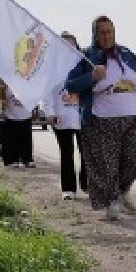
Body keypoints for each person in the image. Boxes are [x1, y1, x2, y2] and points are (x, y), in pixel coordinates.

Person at [63, 16, 136, 220]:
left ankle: (123, 189)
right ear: (95, 34)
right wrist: (91, 77)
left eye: (110, 32)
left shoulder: (126, 54)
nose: (107, 36)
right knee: (107, 165)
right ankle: (113, 200)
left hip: (134, 116)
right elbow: (70, 85)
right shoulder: (87, 57)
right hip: (100, 121)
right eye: (102, 32)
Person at [46, 31, 87, 199]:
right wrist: (49, 112)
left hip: (82, 117)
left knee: (86, 152)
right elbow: (47, 94)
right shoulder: (53, 69)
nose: (68, 48)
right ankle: (68, 189)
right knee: (66, 152)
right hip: (61, 118)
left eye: (72, 45)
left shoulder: (84, 65)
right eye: (64, 45)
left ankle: (87, 183)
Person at [0, 79, 37, 169]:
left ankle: (27, 159)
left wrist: (35, 109)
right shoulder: (5, 80)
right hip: (10, 115)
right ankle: (12, 160)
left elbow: (34, 96)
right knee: (11, 140)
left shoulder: (29, 80)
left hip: (25, 115)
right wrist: (2, 110)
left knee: (26, 139)